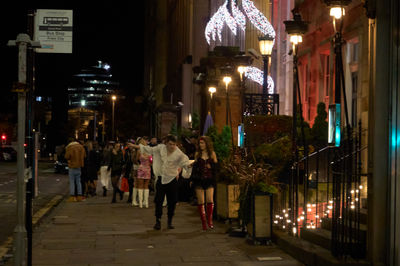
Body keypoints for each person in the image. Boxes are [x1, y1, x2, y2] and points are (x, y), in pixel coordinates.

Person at [133, 134, 193, 230]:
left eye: (174, 144)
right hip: (161, 178)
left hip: (172, 179)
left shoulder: (179, 153)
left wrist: (189, 166)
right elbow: (149, 149)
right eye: (170, 144)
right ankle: (158, 220)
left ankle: (169, 221)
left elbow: (185, 162)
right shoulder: (161, 148)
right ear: (166, 144)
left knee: (172, 202)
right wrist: (136, 146)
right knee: (159, 200)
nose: (172, 146)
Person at [191, 136, 218, 231]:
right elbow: (195, 168)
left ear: (207, 144)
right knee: (201, 201)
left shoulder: (212, 154)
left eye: (203, 143)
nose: (201, 145)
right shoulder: (197, 154)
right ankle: (203, 223)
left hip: (209, 180)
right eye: (200, 143)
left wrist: (212, 166)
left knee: (210, 200)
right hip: (199, 180)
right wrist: (192, 179)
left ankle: (209, 221)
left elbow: (217, 168)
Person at [64, 137, 86, 202]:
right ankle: (79, 196)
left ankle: (72, 196)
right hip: (79, 166)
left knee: (72, 181)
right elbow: (84, 156)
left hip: (72, 166)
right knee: (78, 181)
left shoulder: (70, 147)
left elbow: (67, 156)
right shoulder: (81, 147)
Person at [136, 137, 152, 208]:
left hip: (141, 168)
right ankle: (146, 202)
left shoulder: (139, 151)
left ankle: (140, 203)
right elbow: (152, 161)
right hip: (148, 169)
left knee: (140, 186)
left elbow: (137, 159)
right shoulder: (149, 152)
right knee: (146, 186)